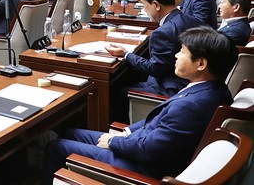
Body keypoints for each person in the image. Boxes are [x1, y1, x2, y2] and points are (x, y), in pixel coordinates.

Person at [44, 26, 237, 184]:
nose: (176, 56)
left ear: (201, 64)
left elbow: (149, 151)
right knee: (71, 132)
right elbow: (160, 121)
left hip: (140, 167)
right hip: (140, 144)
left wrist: (113, 142)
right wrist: (127, 132)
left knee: (56, 146)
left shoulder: (192, 106)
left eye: (182, 52)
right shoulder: (215, 89)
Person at [105, 0, 204, 120]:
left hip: (170, 87)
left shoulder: (163, 32)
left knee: (115, 90)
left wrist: (126, 54)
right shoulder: (192, 20)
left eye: (145, 5)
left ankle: (121, 127)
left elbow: (155, 68)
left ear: (156, 5)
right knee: (127, 77)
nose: (145, 10)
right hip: (189, 80)